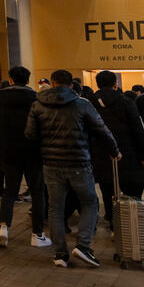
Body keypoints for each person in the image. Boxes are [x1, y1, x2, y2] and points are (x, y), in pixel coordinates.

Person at [25, 69, 120, 267]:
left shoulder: (37, 105)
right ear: (71, 85)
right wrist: (114, 150)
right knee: (90, 202)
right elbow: (102, 130)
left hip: (51, 164)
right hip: (79, 162)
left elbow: (30, 135)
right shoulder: (81, 104)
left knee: (55, 208)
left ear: (52, 83)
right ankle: (83, 245)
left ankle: (60, 254)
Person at [0, 66, 49, 248]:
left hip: (8, 150)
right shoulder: (34, 97)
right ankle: (37, 234)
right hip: (32, 151)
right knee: (37, 192)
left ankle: (3, 228)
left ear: (11, 79)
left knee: (10, 191)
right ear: (28, 80)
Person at [90, 70, 144, 232]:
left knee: (108, 191)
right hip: (128, 154)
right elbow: (137, 131)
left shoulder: (89, 103)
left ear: (98, 84)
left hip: (101, 154)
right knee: (132, 190)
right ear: (116, 84)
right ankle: (131, 223)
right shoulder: (126, 102)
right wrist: (142, 155)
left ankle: (114, 225)